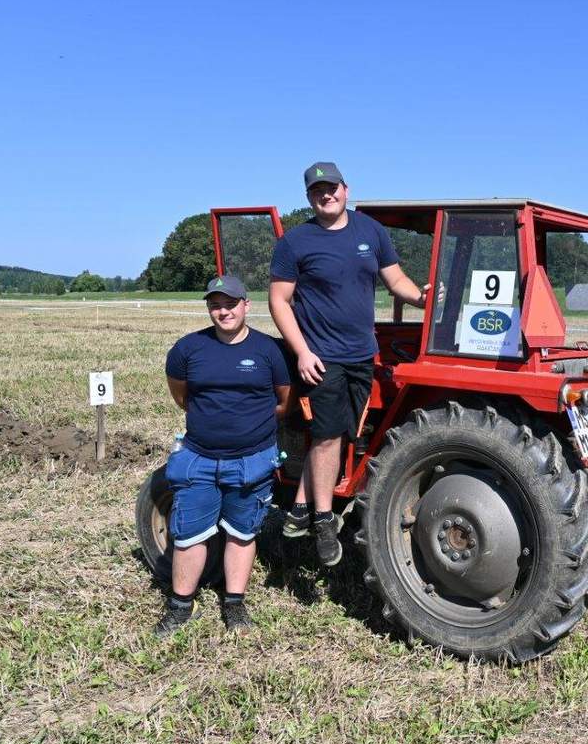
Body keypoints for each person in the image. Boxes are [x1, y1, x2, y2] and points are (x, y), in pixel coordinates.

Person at [268, 161, 429, 566]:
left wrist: (423, 299)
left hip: (362, 354)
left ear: (346, 188)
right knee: (325, 437)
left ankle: (301, 508)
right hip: (321, 357)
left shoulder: (370, 231)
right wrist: (303, 352)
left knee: (344, 434)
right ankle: (323, 522)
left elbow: (396, 280)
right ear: (309, 197)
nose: (327, 195)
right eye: (317, 191)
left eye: (332, 188)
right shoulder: (295, 242)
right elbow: (279, 301)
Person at [156, 274, 291, 636]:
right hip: (199, 458)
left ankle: (234, 604)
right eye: (215, 305)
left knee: (241, 533)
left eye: (230, 303)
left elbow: (282, 400)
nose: (223, 311)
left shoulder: (269, 351)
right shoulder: (188, 349)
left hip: (251, 460)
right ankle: (180, 606)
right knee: (188, 536)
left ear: (246, 305)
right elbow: (181, 395)